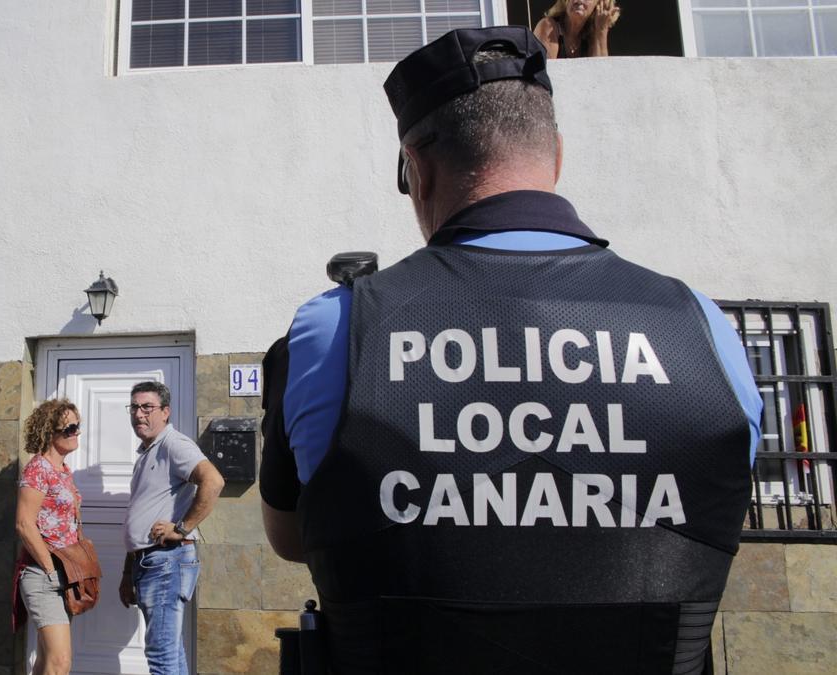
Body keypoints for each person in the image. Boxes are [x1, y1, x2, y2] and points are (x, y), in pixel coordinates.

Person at [259, 26, 762, 674]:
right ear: (556, 156)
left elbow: (293, 535)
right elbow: (712, 519)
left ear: (419, 166)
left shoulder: (336, 333)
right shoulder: (704, 332)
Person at [118, 381, 225, 675]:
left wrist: (181, 528)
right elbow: (141, 514)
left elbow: (213, 481)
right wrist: (128, 573)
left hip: (166, 561)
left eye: (147, 407)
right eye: (134, 407)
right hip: (149, 563)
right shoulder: (148, 452)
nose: (139, 414)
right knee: (170, 652)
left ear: (165, 412)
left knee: (161, 654)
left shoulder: (173, 444)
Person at [14, 398, 84, 675]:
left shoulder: (63, 471)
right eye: (69, 429)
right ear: (49, 433)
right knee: (59, 662)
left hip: (64, 573)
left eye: (78, 426)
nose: (77, 432)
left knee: (46, 662)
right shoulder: (38, 469)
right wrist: (50, 569)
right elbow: (23, 524)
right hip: (44, 576)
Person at [535, 0, 620, 59]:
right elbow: (545, 75)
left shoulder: (592, 36)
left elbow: (601, 75)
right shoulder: (549, 26)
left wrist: (601, 30)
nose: (580, 0)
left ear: (598, 5)